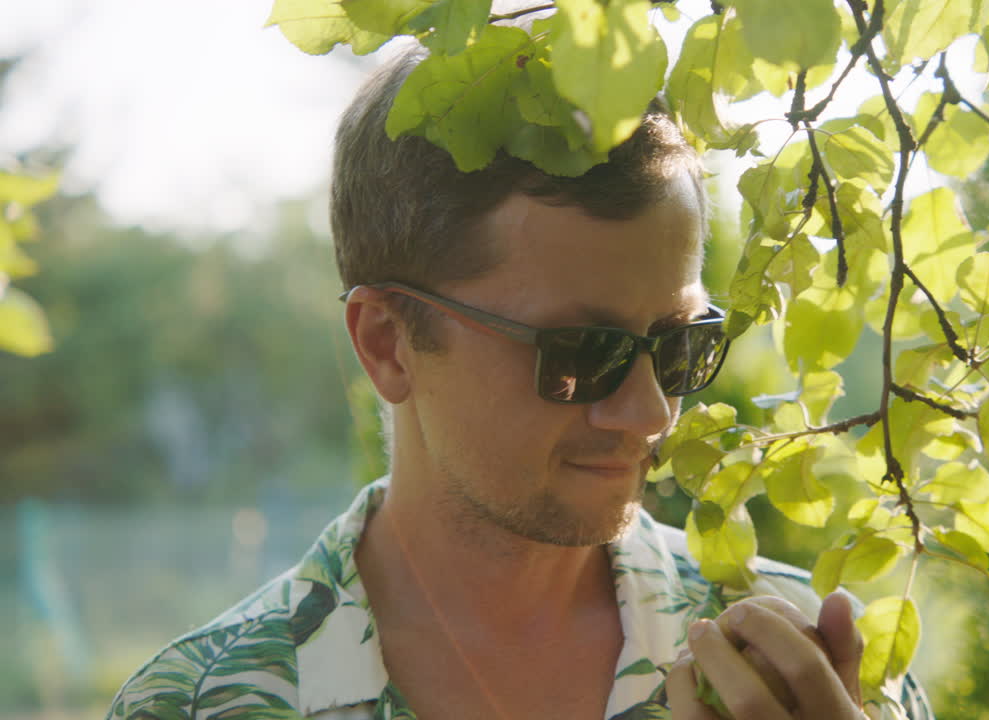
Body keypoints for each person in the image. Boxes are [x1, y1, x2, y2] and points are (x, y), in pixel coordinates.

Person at [106, 46, 932, 720]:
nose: (648, 413)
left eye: (681, 344)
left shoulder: (804, 677)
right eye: (580, 353)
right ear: (389, 342)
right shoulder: (204, 702)